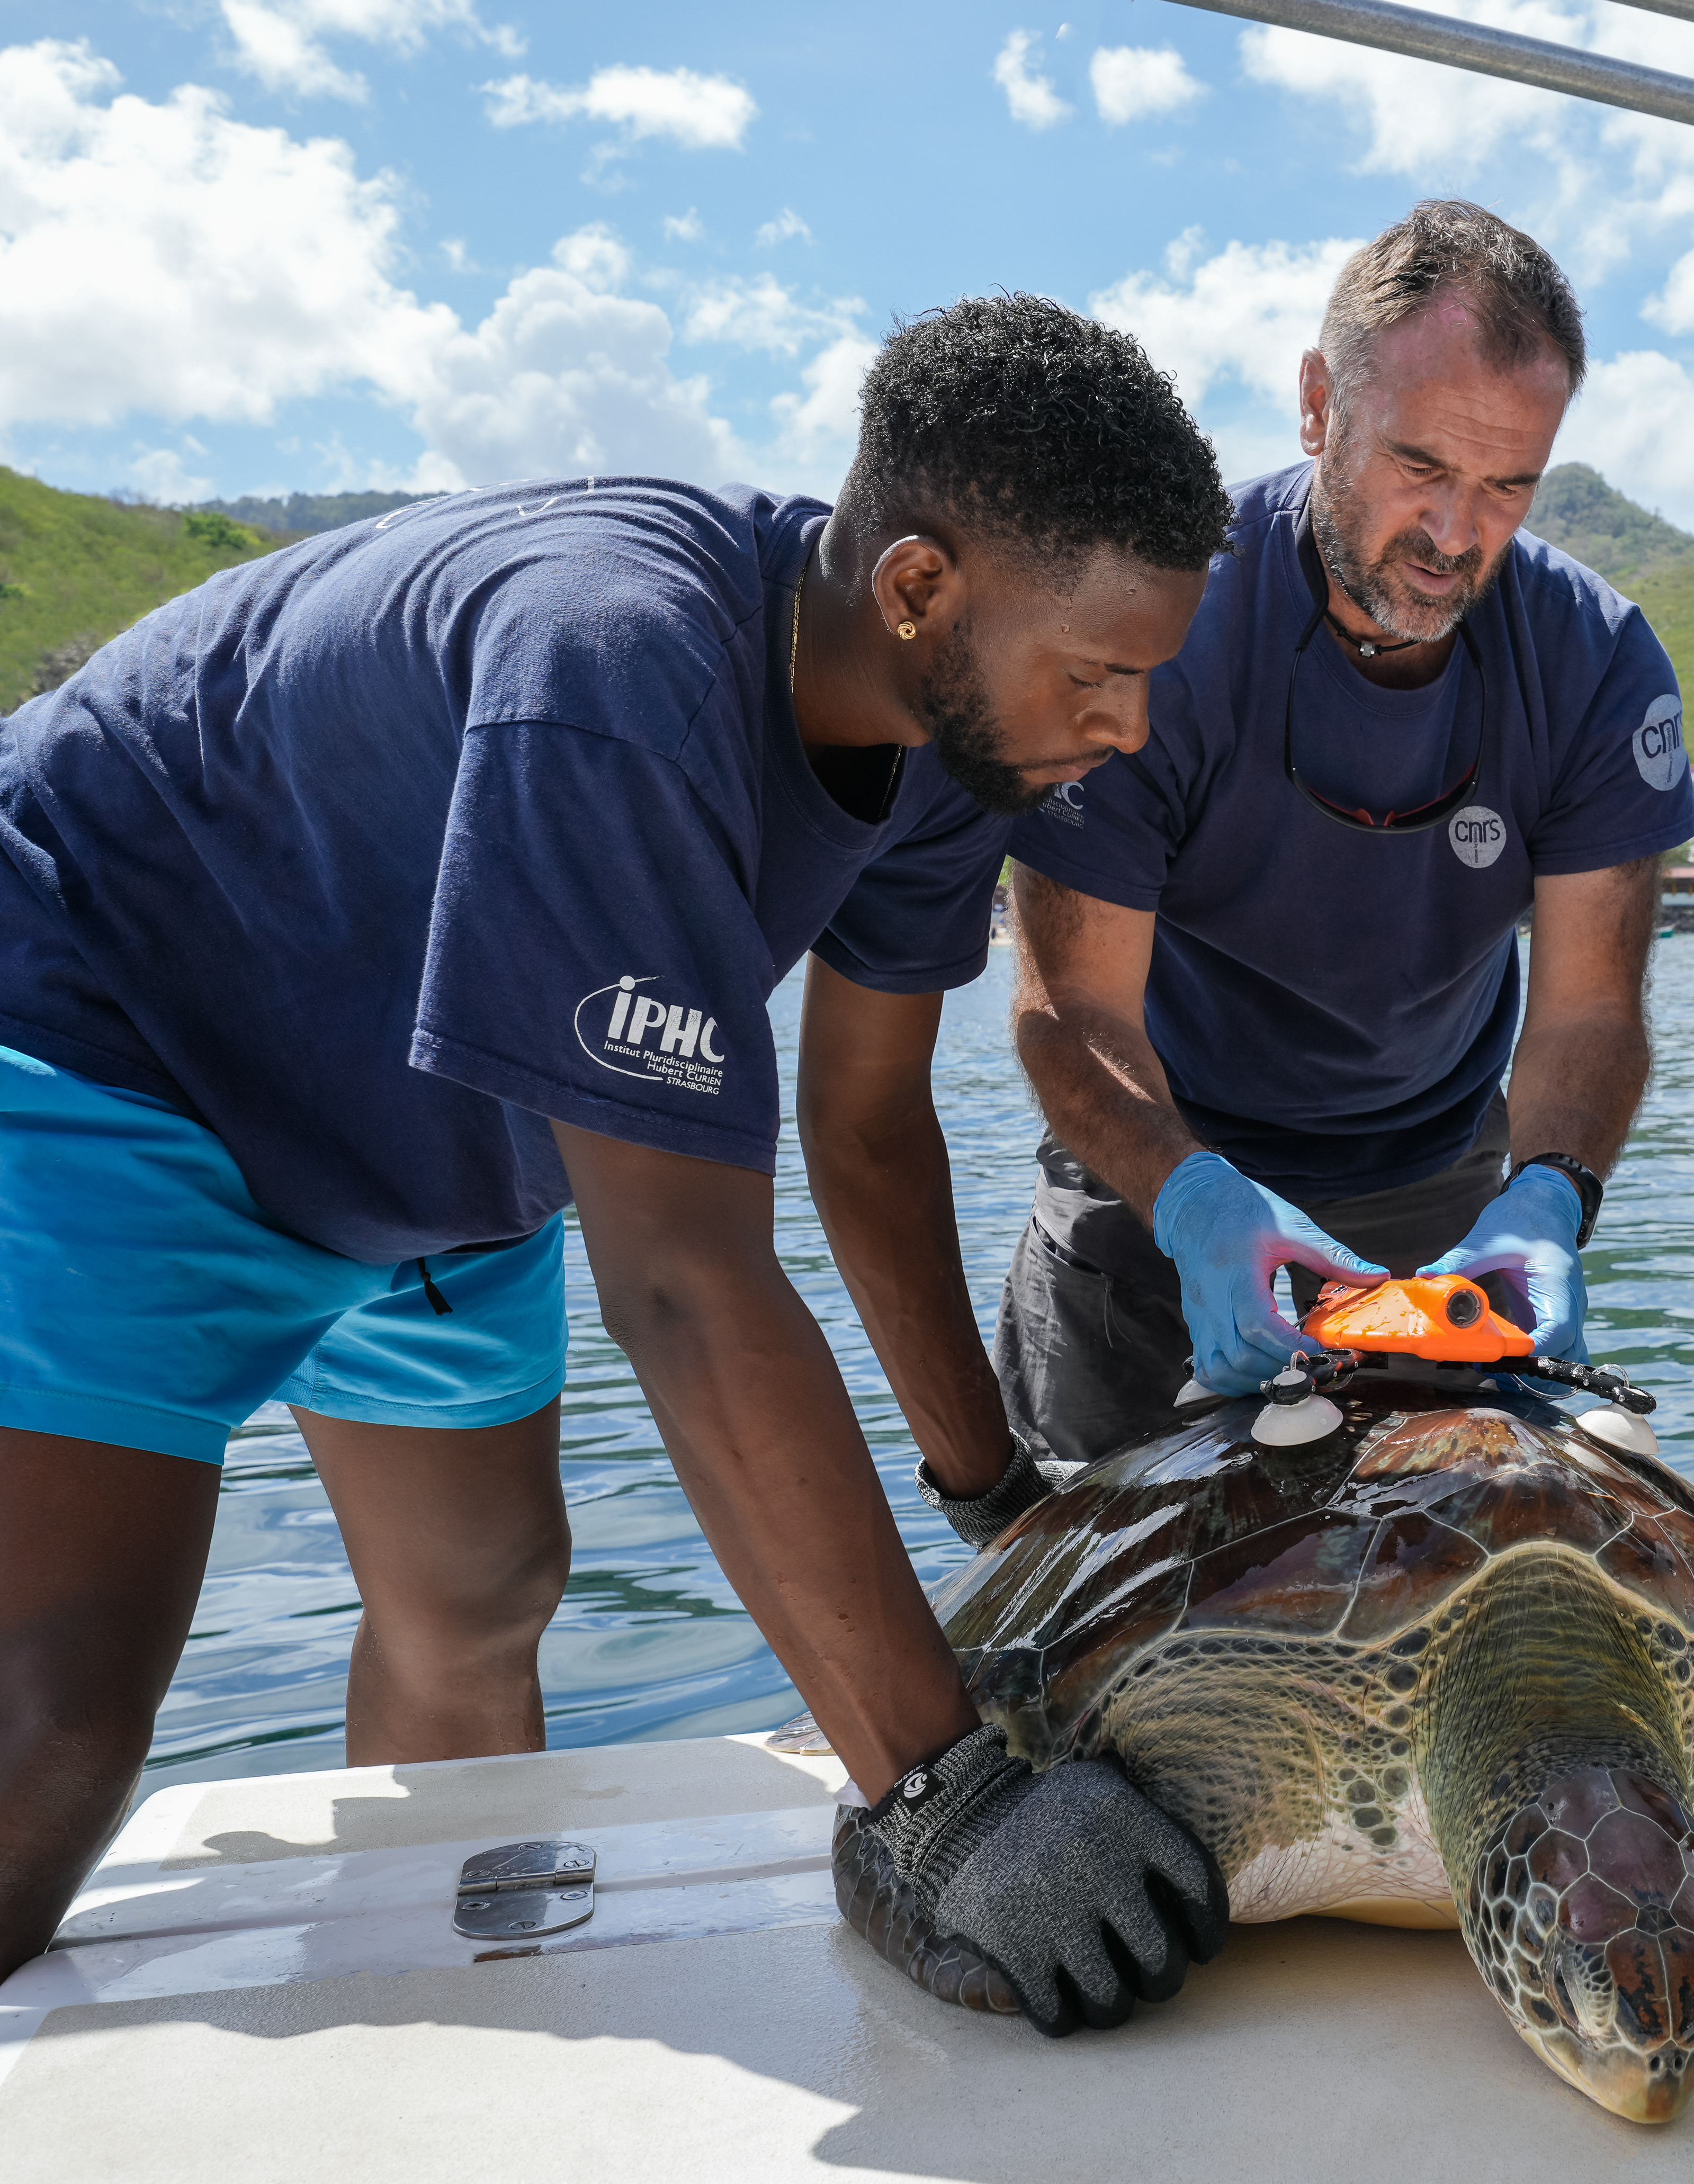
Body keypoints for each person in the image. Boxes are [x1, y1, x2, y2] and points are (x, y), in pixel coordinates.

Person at [0, 295, 1233, 2032]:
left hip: (435, 1108)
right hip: (118, 1041)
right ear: (916, 586)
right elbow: (683, 1284)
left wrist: (1002, 1520)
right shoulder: (617, 663)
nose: (1127, 727)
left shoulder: (953, 747)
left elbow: (869, 1136)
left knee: (486, 1586)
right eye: (1096, 672)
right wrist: (945, 1794)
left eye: (1149, 680)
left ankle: (436, 2051)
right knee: (48, 1733)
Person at [981, 200, 1692, 1484]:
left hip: (1444, 1192)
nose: (1457, 535)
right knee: (1084, 1614)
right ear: (1319, 405)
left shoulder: (1595, 661)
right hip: (1155, 1176)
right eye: (1420, 466)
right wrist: (1195, 1201)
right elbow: (1066, 1006)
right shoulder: (1159, 627)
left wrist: (1547, 1197)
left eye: (1509, 485)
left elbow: (1588, 1009)